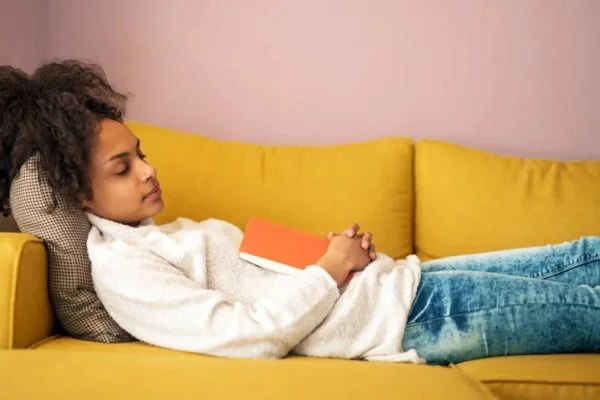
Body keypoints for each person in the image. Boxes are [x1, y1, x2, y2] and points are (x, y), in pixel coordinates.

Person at [1, 60, 598, 365]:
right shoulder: (124, 272)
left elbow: (265, 281)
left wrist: (337, 256)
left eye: (142, 154)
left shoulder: (162, 235)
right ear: (78, 195)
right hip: (415, 318)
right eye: (122, 168)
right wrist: (331, 270)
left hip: (404, 283)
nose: (148, 171)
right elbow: (247, 335)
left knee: (584, 255)